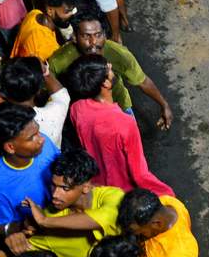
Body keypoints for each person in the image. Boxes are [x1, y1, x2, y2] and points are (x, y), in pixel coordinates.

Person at [63, 55, 174, 196]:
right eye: (107, 68)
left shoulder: (76, 109)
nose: (110, 65)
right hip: (122, 192)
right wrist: (167, 194)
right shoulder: (124, 124)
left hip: (97, 188)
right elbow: (140, 175)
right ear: (106, 84)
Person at [48, 12, 175, 129]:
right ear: (75, 37)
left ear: (104, 34)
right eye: (86, 36)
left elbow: (142, 81)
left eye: (98, 35)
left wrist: (164, 105)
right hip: (84, 115)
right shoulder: (59, 61)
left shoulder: (119, 55)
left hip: (118, 106)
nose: (93, 42)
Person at [17, 148, 126, 257]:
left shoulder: (113, 196)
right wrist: (14, 236)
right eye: (54, 185)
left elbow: (106, 217)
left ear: (86, 186)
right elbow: (25, 246)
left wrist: (44, 221)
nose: (55, 194)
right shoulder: (53, 218)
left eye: (65, 188)